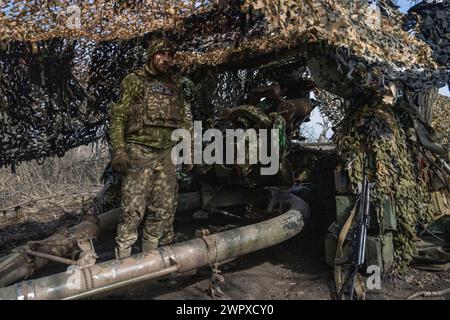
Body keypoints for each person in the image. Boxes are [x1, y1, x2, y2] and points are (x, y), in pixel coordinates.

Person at [109, 37, 193, 259]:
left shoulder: (175, 84)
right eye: (161, 54)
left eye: (170, 55)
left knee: (162, 208)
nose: (166, 59)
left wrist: (189, 149)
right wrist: (118, 150)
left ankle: (151, 260)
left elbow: (185, 119)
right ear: (151, 55)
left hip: (168, 153)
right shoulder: (134, 80)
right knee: (132, 210)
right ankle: (122, 265)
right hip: (139, 151)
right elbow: (118, 116)